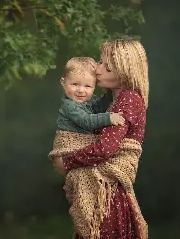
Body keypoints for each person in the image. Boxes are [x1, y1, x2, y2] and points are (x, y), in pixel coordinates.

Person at [52, 39, 149, 239]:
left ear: (125, 72)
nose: (98, 69)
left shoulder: (128, 98)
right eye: (100, 62)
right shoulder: (114, 99)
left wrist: (67, 162)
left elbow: (105, 148)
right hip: (105, 189)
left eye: (107, 67)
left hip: (109, 190)